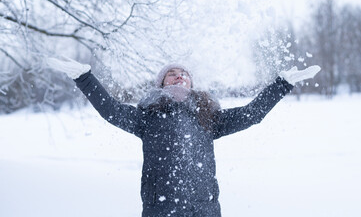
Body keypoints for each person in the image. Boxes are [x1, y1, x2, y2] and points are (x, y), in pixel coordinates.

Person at [46, 57, 320, 217]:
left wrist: (282, 84)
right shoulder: (147, 117)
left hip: (205, 208)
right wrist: (84, 78)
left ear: (191, 82)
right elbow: (111, 110)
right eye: (172, 74)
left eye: (184, 74)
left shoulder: (209, 117)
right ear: (162, 83)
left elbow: (251, 114)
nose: (179, 77)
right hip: (160, 209)